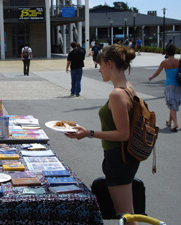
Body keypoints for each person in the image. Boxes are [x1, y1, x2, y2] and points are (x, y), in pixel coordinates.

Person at [65, 44, 139, 225]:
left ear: (110, 64)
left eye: (100, 65)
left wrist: (88, 133)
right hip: (125, 157)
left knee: (125, 215)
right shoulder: (129, 88)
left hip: (118, 157)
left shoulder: (117, 94)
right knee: (129, 213)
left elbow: (123, 134)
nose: (99, 70)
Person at [149, 44, 181, 132]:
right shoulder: (179, 61)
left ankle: (175, 124)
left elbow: (157, 72)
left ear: (167, 52)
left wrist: (151, 77)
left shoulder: (165, 62)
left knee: (171, 104)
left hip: (169, 85)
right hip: (178, 85)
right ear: (175, 52)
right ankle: (169, 122)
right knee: (173, 103)